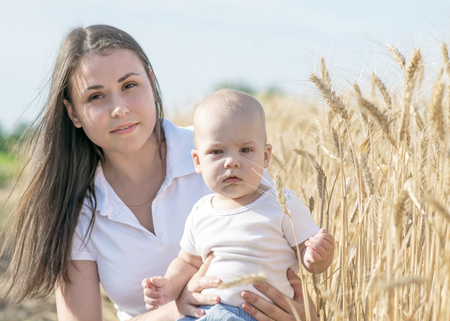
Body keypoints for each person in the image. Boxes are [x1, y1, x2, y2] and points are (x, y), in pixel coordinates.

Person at [2, 24, 320, 321]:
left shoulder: (220, 153)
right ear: (73, 112)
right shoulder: (76, 211)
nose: (120, 108)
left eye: (129, 85)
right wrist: (174, 310)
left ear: (152, 83)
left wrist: (302, 312)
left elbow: (291, 265)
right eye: (96, 96)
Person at [142, 89, 335, 321]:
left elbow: (308, 256)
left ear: (265, 156)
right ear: (197, 161)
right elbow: (187, 261)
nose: (231, 161)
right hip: (205, 313)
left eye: (245, 150)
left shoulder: (283, 205)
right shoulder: (200, 211)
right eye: (217, 151)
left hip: (257, 315)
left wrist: (317, 256)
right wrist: (170, 285)